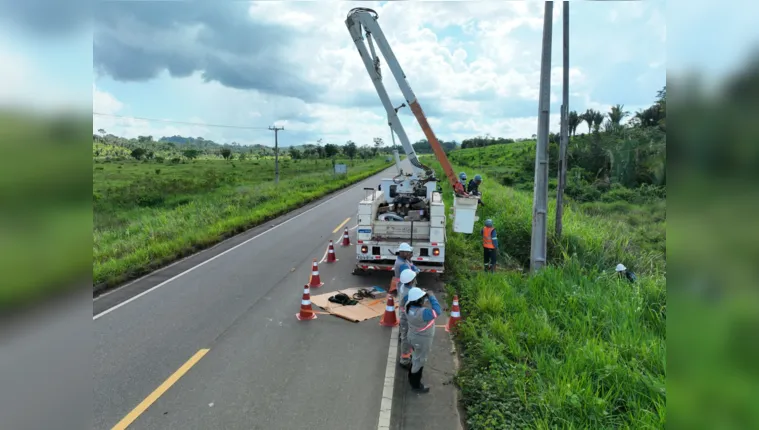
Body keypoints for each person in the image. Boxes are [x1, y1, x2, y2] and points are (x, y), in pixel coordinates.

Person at [405, 286, 441, 393]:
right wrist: (431, 296)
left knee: (415, 357)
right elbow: (437, 311)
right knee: (419, 361)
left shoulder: (408, 306)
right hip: (421, 340)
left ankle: (411, 375)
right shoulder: (423, 313)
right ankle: (415, 385)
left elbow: (411, 296)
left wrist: (422, 293)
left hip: (412, 336)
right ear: (418, 300)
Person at [397, 268, 418, 369]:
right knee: (405, 337)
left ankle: (408, 354)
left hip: (404, 314)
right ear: (411, 281)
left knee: (407, 336)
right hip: (406, 317)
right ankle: (404, 359)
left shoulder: (403, 286)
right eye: (414, 278)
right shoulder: (408, 293)